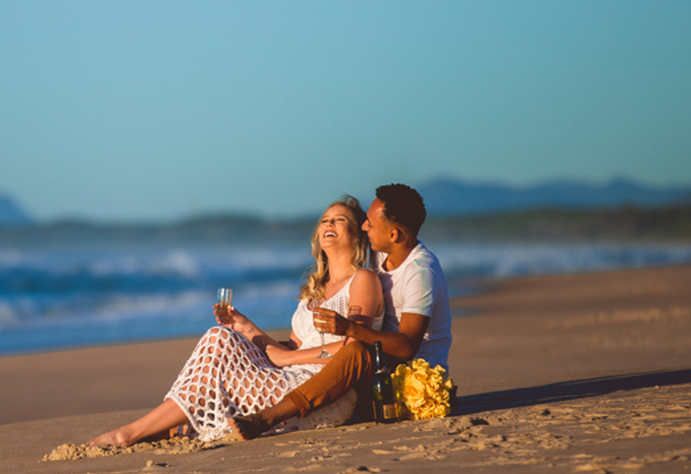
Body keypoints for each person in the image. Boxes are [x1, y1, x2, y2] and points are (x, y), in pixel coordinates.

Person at [86, 196, 384, 448]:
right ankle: (157, 425)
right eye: (325, 220)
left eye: (340, 220)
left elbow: (354, 346)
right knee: (220, 337)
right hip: (291, 375)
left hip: (322, 393)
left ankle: (134, 432)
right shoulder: (313, 290)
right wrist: (246, 327)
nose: (329, 224)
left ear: (358, 235)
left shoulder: (363, 280)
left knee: (223, 377)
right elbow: (291, 349)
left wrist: (289, 357)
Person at [229, 183, 451, 440]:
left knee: (355, 350)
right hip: (376, 368)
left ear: (394, 235)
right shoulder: (384, 255)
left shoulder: (420, 273)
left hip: (409, 383)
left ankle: (269, 416)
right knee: (256, 350)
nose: (365, 227)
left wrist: (349, 328)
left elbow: (406, 347)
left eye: (369, 224)